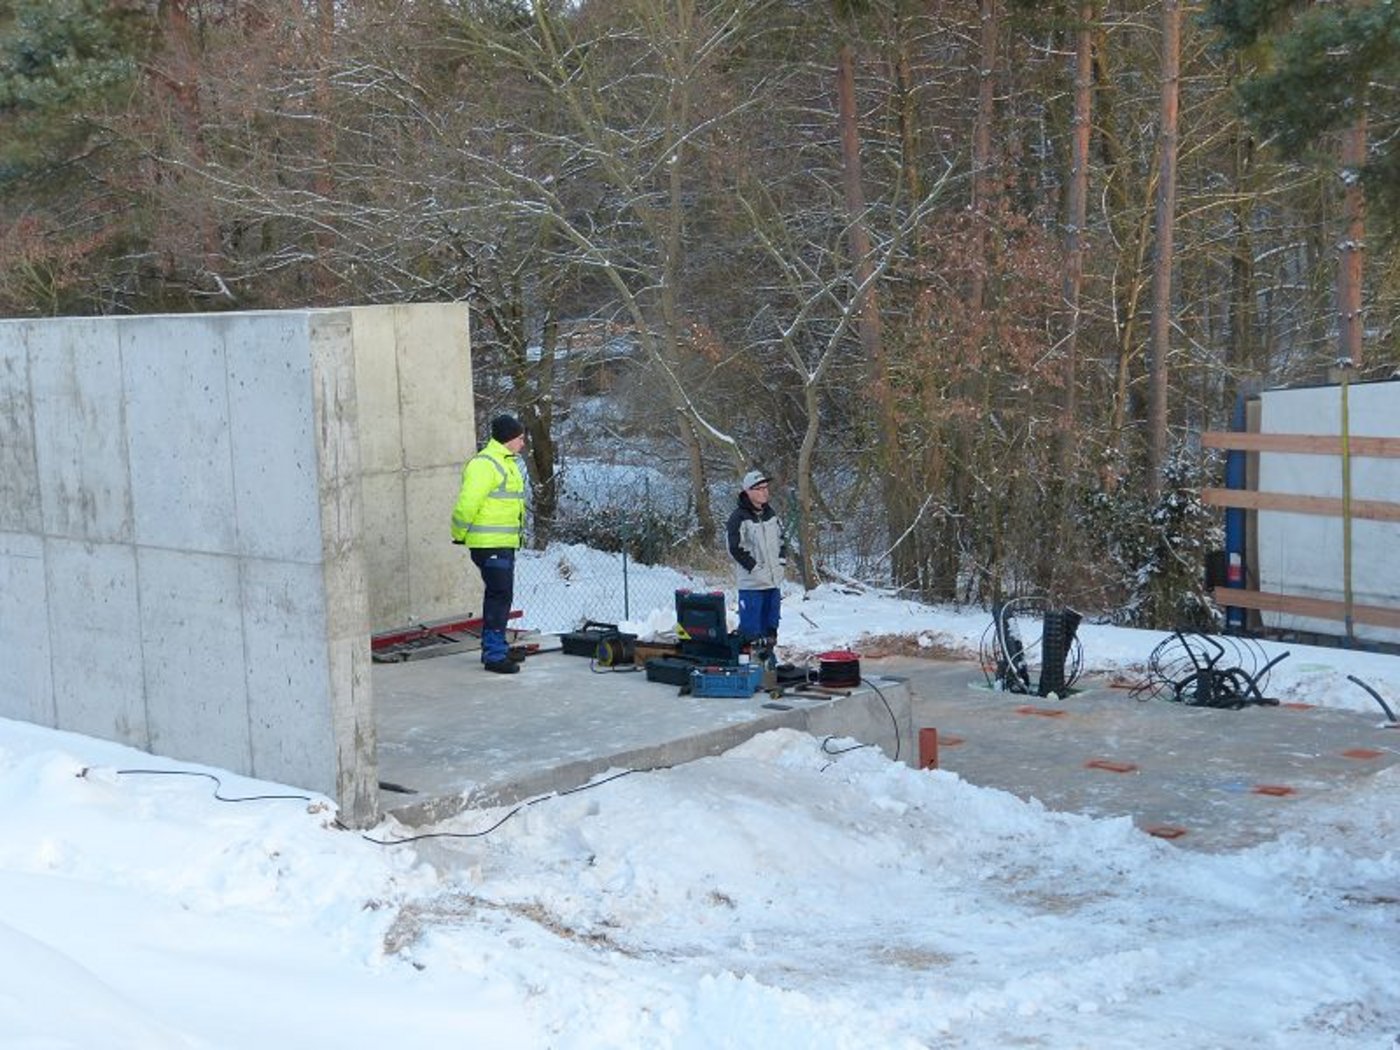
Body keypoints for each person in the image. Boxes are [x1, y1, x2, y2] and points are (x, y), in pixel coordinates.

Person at [451, 414, 528, 674]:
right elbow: (466, 504)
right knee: (499, 595)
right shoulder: (486, 464)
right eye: (520, 438)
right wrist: (459, 532)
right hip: (490, 544)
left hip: (502, 543)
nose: (523, 443)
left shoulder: (505, 462)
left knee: (500, 595)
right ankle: (494, 655)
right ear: (508, 438)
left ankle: (496, 648)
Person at [726, 468, 788, 649]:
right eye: (759, 488)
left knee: (771, 632)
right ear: (748, 492)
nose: (764, 492)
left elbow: (782, 541)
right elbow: (735, 549)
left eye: (766, 487)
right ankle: (749, 670)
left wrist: (781, 563)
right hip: (752, 585)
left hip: (773, 582)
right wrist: (755, 568)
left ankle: (769, 668)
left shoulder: (771, 514)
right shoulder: (737, 518)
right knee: (751, 634)